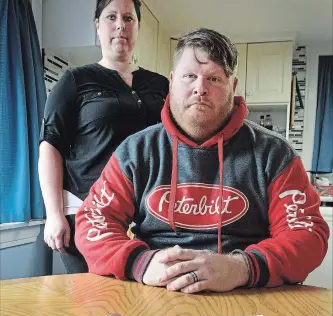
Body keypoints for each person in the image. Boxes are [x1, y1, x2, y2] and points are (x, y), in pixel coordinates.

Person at [75, 28, 329, 293]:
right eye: (189, 76)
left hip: (246, 294)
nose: (200, 88)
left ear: (233, 86)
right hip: (154, 291)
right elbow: (93, 220)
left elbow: (307, 235)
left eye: (214, 78)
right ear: (172, 81)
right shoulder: (135, 151)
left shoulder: (275, 154)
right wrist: (140, 263)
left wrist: (242, 267)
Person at [38, 0, 169, 274]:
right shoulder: (75, 79)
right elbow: (50, 146)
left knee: (143, 301)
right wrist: (54, 214)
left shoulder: (159, 85)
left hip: (147, 216)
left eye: (128, 18)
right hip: (87, 213)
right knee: (95, 303)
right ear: (97, 26)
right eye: (111, 17)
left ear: (137, 27)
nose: (120, 25)